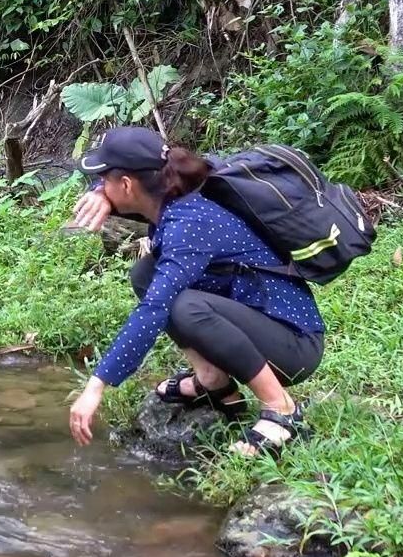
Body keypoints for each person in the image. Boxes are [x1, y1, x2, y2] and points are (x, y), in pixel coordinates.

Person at [64, 126, 324, 458]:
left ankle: (281, 409)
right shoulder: (177, 190)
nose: (101, 183)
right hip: (258, 318)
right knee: (146, 271)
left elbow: (154, 310)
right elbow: (114, 185)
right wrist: (102, 189)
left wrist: (96, 385)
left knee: (181, 305)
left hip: (294, 346)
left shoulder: (187, 227)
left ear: (127, 185)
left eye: (107, 179)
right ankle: (213, 380)